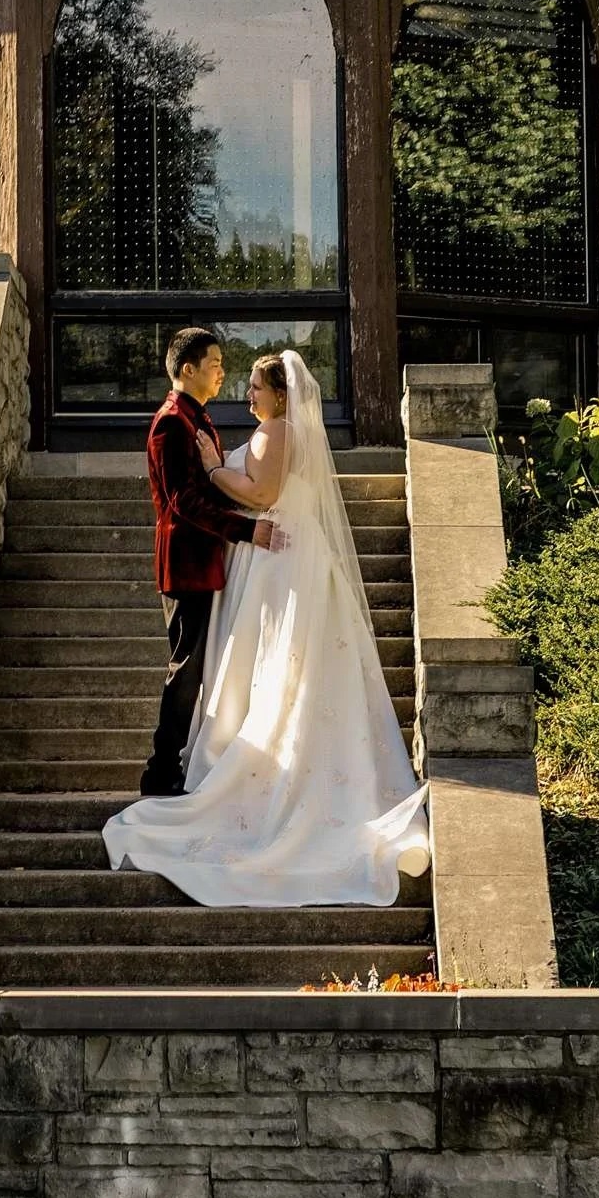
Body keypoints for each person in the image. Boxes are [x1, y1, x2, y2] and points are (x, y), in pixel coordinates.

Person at [105, 344, 430, 906]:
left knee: (257, 666)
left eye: (254, 385)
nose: (241, 389)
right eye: (225, 371)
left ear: (281, 394)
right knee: (224, 666)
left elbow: (264, 494)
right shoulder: (187, 423)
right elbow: (198, 496)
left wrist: (214, 469)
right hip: (253, 558)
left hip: (277, 558)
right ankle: (173, 768)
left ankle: (186, 772)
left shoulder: (275, 432)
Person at [136, 325, 277, 799]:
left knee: (196, 667)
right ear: (188, 369)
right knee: (186, 668)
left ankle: (177, 764)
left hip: (204, 560)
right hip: (185, 563)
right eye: (215, 363)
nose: (222, 372)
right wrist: (245, 529)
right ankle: (160, 773)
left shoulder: (195, 416)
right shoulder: (172, 421)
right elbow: (182, 501)